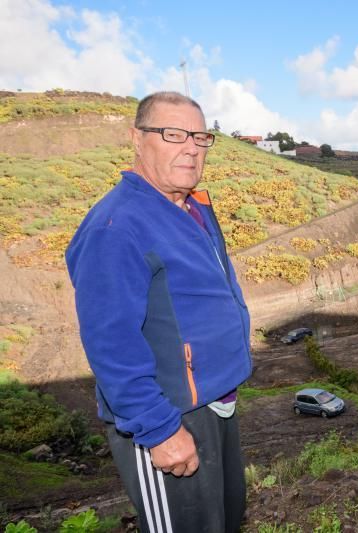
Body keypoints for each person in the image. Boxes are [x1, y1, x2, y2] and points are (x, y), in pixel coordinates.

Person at [66, 92, 252, 533]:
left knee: (224, 522)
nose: (191, 147)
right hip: (169, 417)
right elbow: (111, 342)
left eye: (200, 136)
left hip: (212, 407)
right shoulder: (117, 226)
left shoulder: (191, 207)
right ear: (136, 138)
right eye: (173, 134)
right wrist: (159, 430)